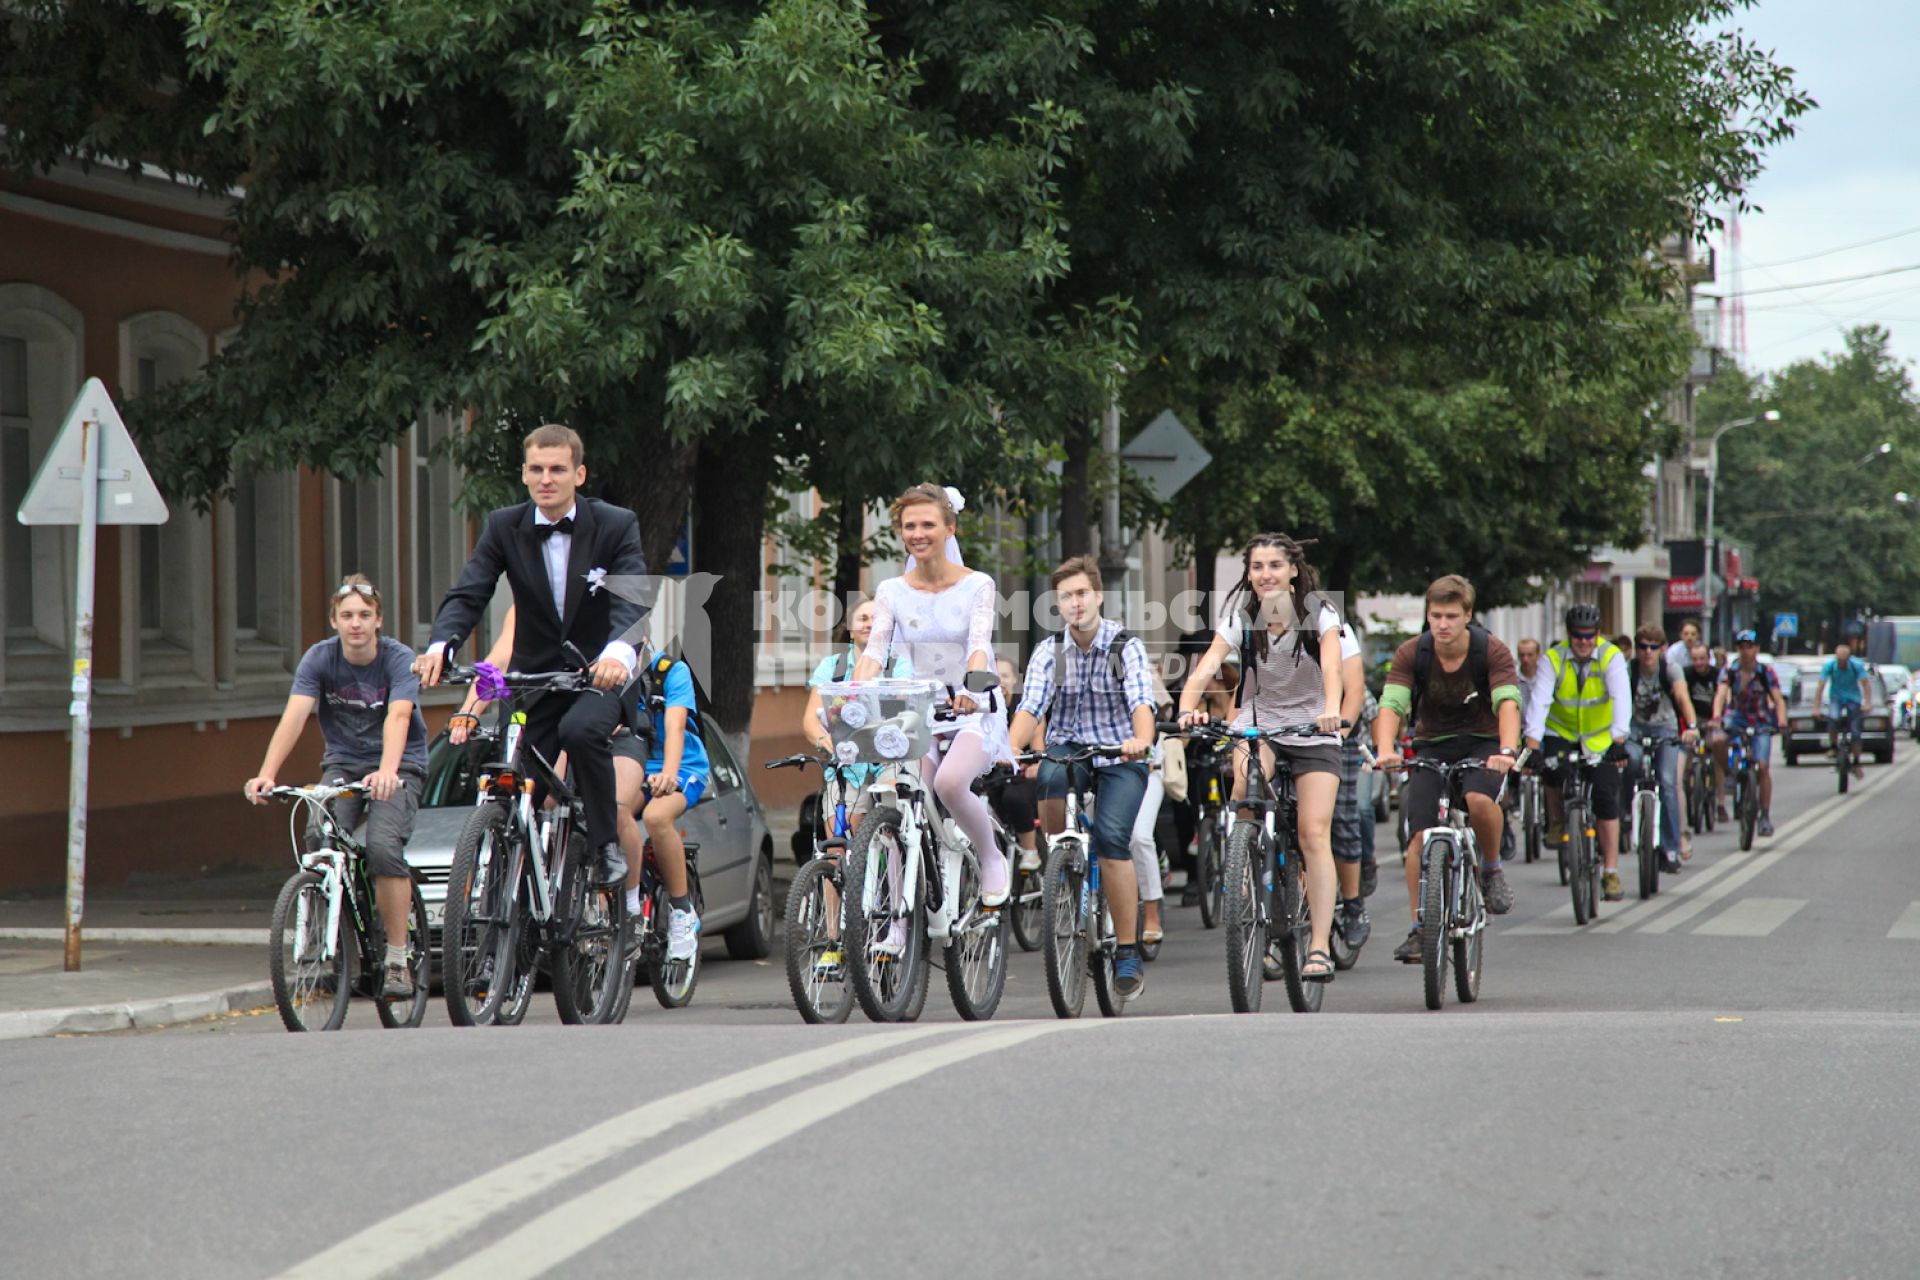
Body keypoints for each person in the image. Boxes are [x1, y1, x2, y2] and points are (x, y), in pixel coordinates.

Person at [415, 423, 648, 888]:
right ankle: (509, 893)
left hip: (597, 676)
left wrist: (619, 653)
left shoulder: (616, 524)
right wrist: (442, 645)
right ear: (524, 474)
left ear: (578, 475)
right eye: (537, 469)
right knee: (514, 780)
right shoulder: (505, 525)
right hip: (535, 680)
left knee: (580, 732)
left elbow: (632, 597)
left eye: (558, 469)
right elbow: (470, 590)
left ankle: (604, 844)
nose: (547, 478)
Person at [244, 576, 428, 998]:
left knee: (383, 847)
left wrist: (386, 771)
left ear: (379, 620)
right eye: (347, 616)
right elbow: (295, 716)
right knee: (318, 837)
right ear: (334, 621)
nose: (356, 624)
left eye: (365, 615)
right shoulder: (320, 659)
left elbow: (398, 718)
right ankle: (330, 938)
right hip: (344, 764)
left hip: (398, 765)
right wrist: (267, 773)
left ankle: (398, 958)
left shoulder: (398, 659)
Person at [1176, 533, 1345, 983]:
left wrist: (1332, 709)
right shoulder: (1242, 616)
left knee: (1312, 832)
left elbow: (1332, 667)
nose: (1265, 574)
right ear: (1248, 574)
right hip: (1262, 721)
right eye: (1257, 567)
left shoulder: (1319, 613)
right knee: (1245, 788)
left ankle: (1319, 946)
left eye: (1274, 565)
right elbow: (1208, 665)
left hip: (1314, 726)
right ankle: (1247, 861)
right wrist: (1186, 708)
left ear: (1293, 570)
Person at [854, 483, 1009, 940]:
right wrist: (853, 695)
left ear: (948, 528)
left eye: (927, 524)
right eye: (909, 526)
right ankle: (898, 921)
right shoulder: (891, 590)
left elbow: (978, 645)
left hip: (971, 707)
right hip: (918, 710)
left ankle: (990, 855)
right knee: (899, 795)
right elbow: (875, 651)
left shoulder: (978, 585)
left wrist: (972, 687)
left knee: (948, 781)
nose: (918, 534)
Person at [1011, 555, 1157, 998]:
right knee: (1049, 778)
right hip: (1069, 746)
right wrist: (1009, 749)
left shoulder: (1123, 645)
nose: (1074, 603)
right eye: (1065, 597)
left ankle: (1127, 951)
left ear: (1098, 597)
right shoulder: (1050, 651)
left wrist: (1141, 740)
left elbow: (1141, 702)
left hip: (1119, 750)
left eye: (1081, 594)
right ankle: (1063, 863)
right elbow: (1030, 707)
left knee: (1114, 838)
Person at [1373, 575, 1522, 962]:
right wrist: (1387, 748)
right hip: (1431, 745)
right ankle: (1420, 929)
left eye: (1451, 616)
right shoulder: (1413, 652)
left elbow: (1507, 701)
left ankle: (1491, 868)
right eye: (1435, 615)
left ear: (1468, 615)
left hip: (1483, 744)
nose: (1442, 624)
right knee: (1418, 839)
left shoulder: (1491, 651)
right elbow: (1392, 703)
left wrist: (1506, 749)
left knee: (1477, 798)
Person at [1524, 604, 1631, 901]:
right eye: (1577, 636)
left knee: (1607, 798)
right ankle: (1557, 820)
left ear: (1597, 634)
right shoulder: (1553, 659)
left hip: (1601, 738)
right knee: (1551, 770)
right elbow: (1540, 701)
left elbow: (1621, 697)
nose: (1583, 642)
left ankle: (1610, 873)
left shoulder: (1611, 656)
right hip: (1562, 732)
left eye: (1589, 636)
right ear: (1568, 635)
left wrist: (1619, 740)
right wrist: (1532, 744)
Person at [802, 597, 913, 830]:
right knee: (839, 842)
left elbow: (903, 712)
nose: (869, 624)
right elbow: (810, 720)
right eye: (862, 619)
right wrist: (825, 741)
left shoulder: (899, 665)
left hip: (889, 758)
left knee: (890, 826)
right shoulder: (832, 667)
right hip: (848, 762)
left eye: (876, 620)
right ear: (850, 631)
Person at [1626, 624, 1699, 874]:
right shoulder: (1629, 670)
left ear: (1662, 649)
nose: (1647, 652)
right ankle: (1626, 816)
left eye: (1653, 647)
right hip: (1634, 731)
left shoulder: (1670, 669)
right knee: (1629, 763)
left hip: (1665, 731)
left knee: (1668, 783)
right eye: (1643, 647)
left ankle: (1670, 847)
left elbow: (1682, 697)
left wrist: (1691, 726)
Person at [1327, 620, 1374, 956]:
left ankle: (1353, 903)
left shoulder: (1335, 628)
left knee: (1346, 817)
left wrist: (1338, 735)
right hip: (1287, 732)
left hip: (1337, 736)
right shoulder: (1261, 628)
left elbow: (1356, 693)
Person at [1713, 630, 1788, 835]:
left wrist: (1781, 721)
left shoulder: (1765, 671)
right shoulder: (1730, 671)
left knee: (1762, 767)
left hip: (1760, 720)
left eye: (1750, 646)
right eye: (1742, 647)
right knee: (1718, 740)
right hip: (1736, 717)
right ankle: (1728, 773)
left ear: (1756, 649)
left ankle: (1764, 816)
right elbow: (1720, 695)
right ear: (1737, 649)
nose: (1746, 651)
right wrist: (1716, 717)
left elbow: (1778, 699)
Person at [1813, 639, 1872, 781]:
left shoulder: (1856, 665)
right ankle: (1833, 746)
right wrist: (1816, 707)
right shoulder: (1830, 666)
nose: (1841, 663)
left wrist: (1867, 703)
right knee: (1832, 718)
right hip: (1836, 698)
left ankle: (1857, 762)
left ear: (1848, 657)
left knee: (1855, 731)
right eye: (1839, 660)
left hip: (1853, 698)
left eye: (1844, 660)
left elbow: (1865, 685)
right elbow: (1820, 686)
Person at [1684, 642, 1725, 827]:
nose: (1698, 663)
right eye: (1695, 659)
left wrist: (1716, 719)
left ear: (1708, 658)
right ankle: (1687, 793)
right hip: (1694, 720)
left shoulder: (1717, 675)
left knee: (1716, 749)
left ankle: (1720, 801)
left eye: (1702, 659)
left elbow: (1723, 697)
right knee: (1687, 752)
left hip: (1712, 719)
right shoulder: (1686, 674)